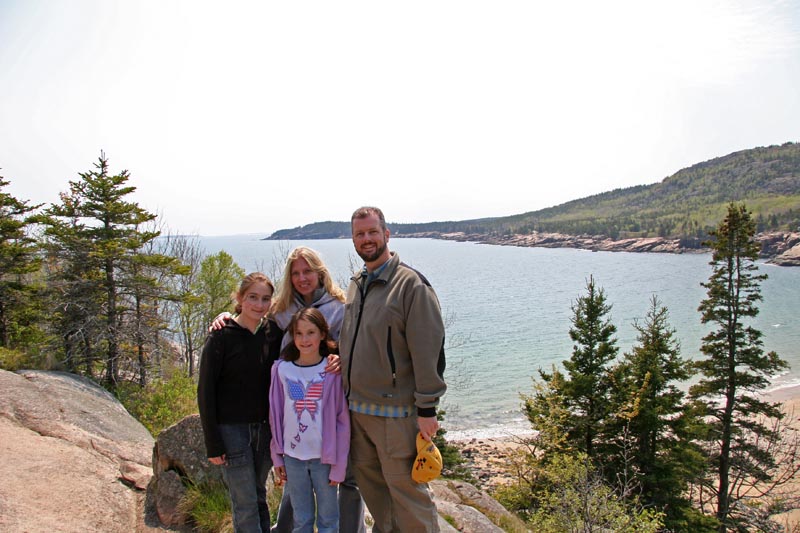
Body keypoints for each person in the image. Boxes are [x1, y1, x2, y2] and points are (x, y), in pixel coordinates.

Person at [211, 246, 366, 533]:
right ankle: (288, 528)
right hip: (292, 405)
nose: (302, 278)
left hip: (332, 402)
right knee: (297, 481)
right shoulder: (282, 310)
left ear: (320, 273)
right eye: (295, 273)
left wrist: (341, 358)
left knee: (345, 479)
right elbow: (249, 312)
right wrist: (225, 316)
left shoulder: (339, 307)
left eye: (308, 271)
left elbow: (356, 345)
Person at [339, 206, 447, 532]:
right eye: (360, 234)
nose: (366, 239)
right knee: (376, 494)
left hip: (396, 415)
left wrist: (427, 409)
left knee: (408, 494)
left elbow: (430, 352)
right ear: (353, 240)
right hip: (358, 413)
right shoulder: (357, 283)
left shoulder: (411, 286)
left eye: (373, 232)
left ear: (386, 234)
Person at [198, 272, 280, 533]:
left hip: (264, 430)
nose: (259, 304)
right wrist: (213, 443)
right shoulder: (221, 337)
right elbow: (206, 391)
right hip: (232, 431)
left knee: (258, 495)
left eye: (265, 299)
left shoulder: (273, 333)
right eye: (253, 297)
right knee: (244, 501)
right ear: (240, 298)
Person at [269, 308, 351, 533]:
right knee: (302, 519)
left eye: (311, 332)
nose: (304, 339)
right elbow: (275, 416)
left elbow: (342, 421)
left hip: (324, 460)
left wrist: (339, 465)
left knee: (328, 520)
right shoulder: (281, 370)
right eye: (299, 333)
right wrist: (277, 455)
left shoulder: (332, 371)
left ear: (323, 334)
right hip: (293, 458)